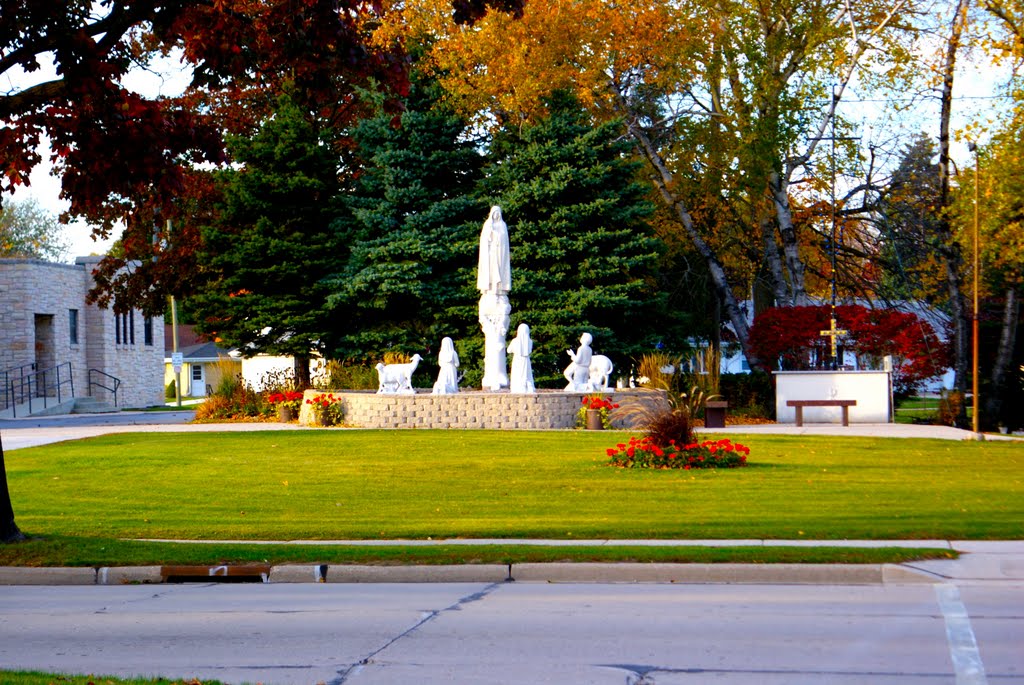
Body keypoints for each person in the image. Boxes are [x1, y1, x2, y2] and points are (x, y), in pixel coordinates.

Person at [477, 206, 511, 295]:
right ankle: (489, 288)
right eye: (494, 213)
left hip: (500, 251)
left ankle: (499, 289)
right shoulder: (488, 224)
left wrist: (497, 235)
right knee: (490, 269)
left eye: (497, 213)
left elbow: (504, 239)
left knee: (499, 269)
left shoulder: (503, 225)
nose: (496, 215)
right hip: (490, 252)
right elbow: (484, 239)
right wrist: (490, 233)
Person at [507, 323, 535, 394]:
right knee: (527, 374)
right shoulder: (530, 341)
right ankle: (529, 387)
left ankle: (518, 388)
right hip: (526, 359)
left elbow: (508, 350)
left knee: (518, 374)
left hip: (517, 359)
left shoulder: (515, 341)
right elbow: (529, 351)